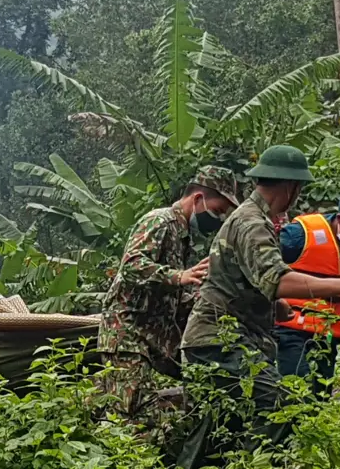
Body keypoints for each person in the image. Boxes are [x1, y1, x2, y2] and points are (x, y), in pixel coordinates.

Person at [178, 146, 340, 460]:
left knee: (216, 429)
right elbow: (277, 280)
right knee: (283, 407)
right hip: (219, 342)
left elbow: (245, 278)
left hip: (223, 340)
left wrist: (275, 306)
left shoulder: (254, 220)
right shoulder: (253, 224)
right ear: (291, 188)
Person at [98, 166, 240, 419]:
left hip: (157, 335)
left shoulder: (182, 233)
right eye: (217, 211)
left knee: (206, 378)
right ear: (198, 199)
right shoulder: (160, 221)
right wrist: (179, 276)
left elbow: (167, 293)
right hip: (127, 333)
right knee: (130, 412)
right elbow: (131, 265)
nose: (217, 219)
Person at [274, 189, 340, 390]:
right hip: (289, 327)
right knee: (295, 390)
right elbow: (261, 267)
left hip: (328, 334)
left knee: (321, 395)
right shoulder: (299, 235)